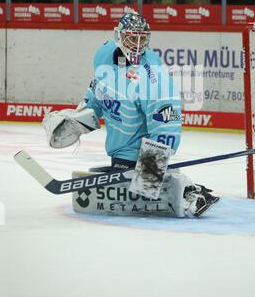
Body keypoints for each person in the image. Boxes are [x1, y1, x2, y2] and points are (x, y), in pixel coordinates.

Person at [42, 12, 219, 217]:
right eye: (132, 38)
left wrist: (148, 176)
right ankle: (176, 187)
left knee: (133, 197)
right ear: (119, 36)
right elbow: (99, 93)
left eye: (142, 38)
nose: (137, 45)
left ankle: (188, 193)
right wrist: (79, 119)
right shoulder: (105, 55)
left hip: (138, 154)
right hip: (118, 151)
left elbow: (166, 129)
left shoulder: (154, 79)